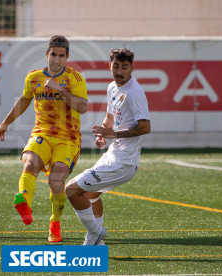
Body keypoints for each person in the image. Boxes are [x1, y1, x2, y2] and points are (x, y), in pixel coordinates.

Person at [0, 35, 88, 243]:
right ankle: (24, 201)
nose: (56, 59)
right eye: (53, 54)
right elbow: (25, 99)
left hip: (68, 139)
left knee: (55, 182)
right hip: (41, 133)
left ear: (67, 57)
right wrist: (5, 123)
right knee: (29, 164)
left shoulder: (74, 78)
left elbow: (82, 107)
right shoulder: (33, 77)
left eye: (61, 56)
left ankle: (55, 223)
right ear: (47, 54)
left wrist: (59, 89)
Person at [65, 48, 151, 245]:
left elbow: (145, 127)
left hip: (124, 163)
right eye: (116, 66)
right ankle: (96, 243)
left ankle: (95, 233)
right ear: (110, 65)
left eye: (124, 67)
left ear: (132, 68)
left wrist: (114, 134)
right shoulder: (112, 87)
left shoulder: (134, 92)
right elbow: (111, 117)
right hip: (113, 155)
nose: (119, 71)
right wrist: (104, 135)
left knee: (71, 190)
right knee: (90, 194)